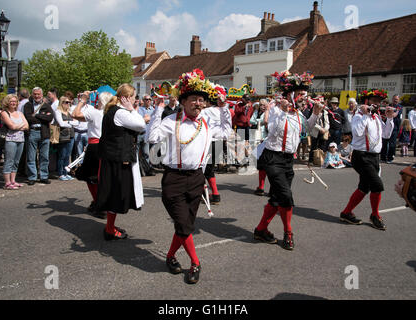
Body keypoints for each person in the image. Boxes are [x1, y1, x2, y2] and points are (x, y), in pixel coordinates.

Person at [147, 69, 232, 284]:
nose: (198, 103)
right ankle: (195, 262)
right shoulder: (171, 120)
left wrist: (223, 108)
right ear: (183, 101)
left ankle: (170, 256)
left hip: (196, 179)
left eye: (201, 100)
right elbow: (152, 136)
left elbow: (225, 131)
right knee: (184, 225)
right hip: (173, 179)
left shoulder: (206, 124)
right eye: (193, 99)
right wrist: (158, 108)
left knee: (184, 225)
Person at [253, 71, 321, 250]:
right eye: (300, 95)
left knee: (277, 198)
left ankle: (261, 230)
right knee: (286, 197)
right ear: (290, 95)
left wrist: (315, 114)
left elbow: (308, 131)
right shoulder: (276, 108)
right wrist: (282, 111)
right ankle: (288, 232)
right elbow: (272, 130)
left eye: (304, 95)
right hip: (273, 157)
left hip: (288, 160)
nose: (303, 98)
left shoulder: (299, 114)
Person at [96, 84, 146, 241]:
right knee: (116, 195)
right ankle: (110, 230)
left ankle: (110, 227)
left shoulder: (115, 111)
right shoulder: (121, 113)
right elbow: (141, 124)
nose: (135, 100)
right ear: (127, 98)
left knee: (115, 194)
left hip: (114, 159)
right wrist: (131, 109)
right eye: (133, 97)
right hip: (117, 160)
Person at [340, 89, 394, 231]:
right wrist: (364, 114)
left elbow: (387, 135)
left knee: (364, 187)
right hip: (361, 156)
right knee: (377, 185)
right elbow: (357, 132)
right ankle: (375, 215)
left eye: (378, 101)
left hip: (375, 157)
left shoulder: (376, 117)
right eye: (374, 101)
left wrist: (389, 118)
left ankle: (346, 212)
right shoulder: (358, 115)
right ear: (366, 101)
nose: (377, 104)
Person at [72, 90, 113, 219]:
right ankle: (100, 202)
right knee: (103, 176)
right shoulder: (113, 113)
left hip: (95, 146)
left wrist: (83, 100)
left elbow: (75, 114)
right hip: (108, 147)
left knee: (91, 177)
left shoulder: (95, 113)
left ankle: (98, 203)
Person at [23, 87, 54, 185]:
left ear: (42, 95)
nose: (37, 96)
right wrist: (43, 116)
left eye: (38, 94)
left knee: (44, 156)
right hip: (33, 132)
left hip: (44, 132)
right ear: (32, 95)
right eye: (35, 94)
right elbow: (28, 118)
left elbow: (50, 118)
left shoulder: (46, 105)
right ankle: (32, 176)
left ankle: (44, 176)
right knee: (31, 156)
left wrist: (36, 115)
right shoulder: (28, 105)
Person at [0, 94, 29, 190]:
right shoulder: (5, 113)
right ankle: (7, 183)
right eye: (11, 101)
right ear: (7, 102)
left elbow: (27, 126)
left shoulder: (20, 113)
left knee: (16, 161)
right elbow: (11, 126)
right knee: (9, 161)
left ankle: (13, 180)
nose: (13, 103)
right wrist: (20, 126)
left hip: (20, 140)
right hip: (10, 140)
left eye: (15, 101)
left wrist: (17, 125)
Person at [54, 96, 79, 181]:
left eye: (69, 102)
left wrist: (68, 122)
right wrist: (71, 123)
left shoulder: (70, 112)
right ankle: (60, 173)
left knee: (67, 155)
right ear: (62, 103)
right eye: (66, 102)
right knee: (62, 155)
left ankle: (66, 172)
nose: (68, 104)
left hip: (71, 135)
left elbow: (77, 123)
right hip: (63, 136)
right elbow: (61, 123)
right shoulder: (58, 111)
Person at [381, 95, 403, 163]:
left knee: (392, 144)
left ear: (398, 100)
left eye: (396, 99)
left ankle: (390, 157)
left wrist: (391, 114)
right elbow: (384, 113)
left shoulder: (399, 107)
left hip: (395, 128)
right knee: (384, 142)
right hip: (386, 126)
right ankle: (383, 157)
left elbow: (395, 114)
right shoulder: (389, 105)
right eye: (394, 99)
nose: (395, 100)